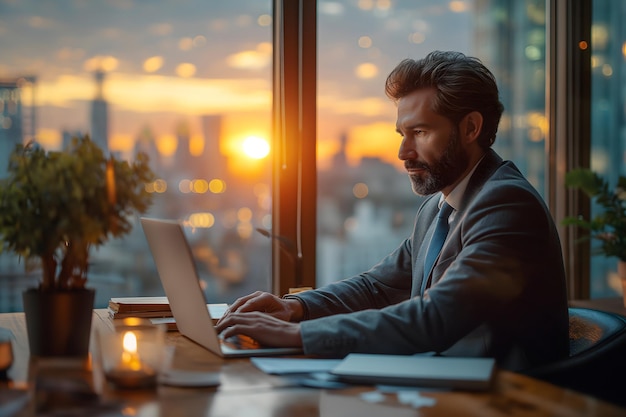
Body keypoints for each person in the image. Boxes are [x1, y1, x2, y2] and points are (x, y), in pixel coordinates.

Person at [216, 50, 569, 372]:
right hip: (441, 383)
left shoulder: (507, 202)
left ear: (470, 128)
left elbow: (435, 318)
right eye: (402, 133)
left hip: (505, 400)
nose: (403, 151)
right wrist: (295, 308)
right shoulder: (437, 209)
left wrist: (298, 335)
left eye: (420, 131)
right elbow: (376, 287)